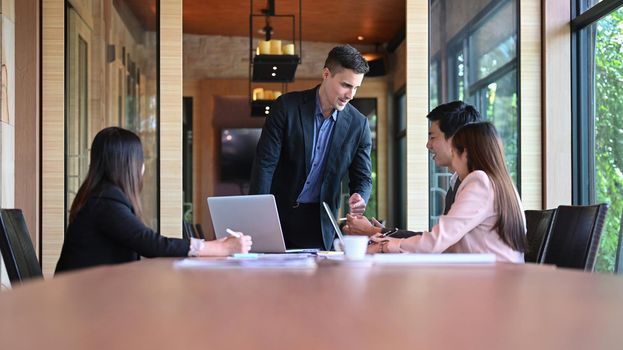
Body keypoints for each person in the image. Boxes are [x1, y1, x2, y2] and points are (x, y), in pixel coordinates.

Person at [56, 127, 252, 273]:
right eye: (141, 160)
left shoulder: (102, 195)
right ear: (129, 164)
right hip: (83, 301)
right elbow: (150, 244)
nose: (143, 167)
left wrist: (215, 246)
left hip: (90, 292)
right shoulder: (105, 201)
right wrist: (221, 247)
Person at [346, 122, 526, 263]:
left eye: (454, 154)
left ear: (467, 154)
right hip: (497, 278)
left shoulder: (480, 182)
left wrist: (386, 246)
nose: (454, 165)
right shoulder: (501, 183)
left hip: (488, 283)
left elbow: (439, 239)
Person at [249, 44, 373, 250]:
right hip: (278, 217)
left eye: (356, 88)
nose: (350, 94)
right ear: (326, 74)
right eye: (346, 85)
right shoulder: (286, 107)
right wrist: (258, 218)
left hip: (320, 222)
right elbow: (265, 165)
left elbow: (363, 178)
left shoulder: (358, 124)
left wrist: (360, 196)